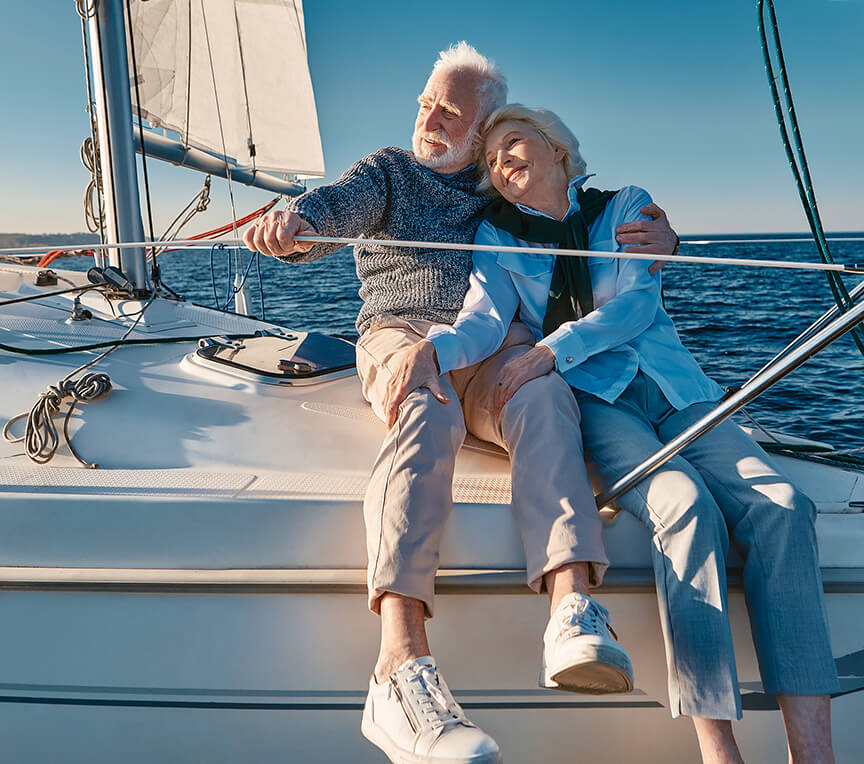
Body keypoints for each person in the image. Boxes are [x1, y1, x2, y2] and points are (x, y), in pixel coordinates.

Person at [243, 45, 677, 764]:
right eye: (424, 102)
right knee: (427, 406)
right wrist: (292, 227)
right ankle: (398, 669)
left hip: (490, 342)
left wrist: (668, 235)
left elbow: (577, 212)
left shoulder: (496, 190)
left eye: (449, 109)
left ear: (481, 132)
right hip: (404, 332)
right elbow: (328, 214)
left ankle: (572, 608)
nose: (429, 117)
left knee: (543, 396)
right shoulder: (389, 171)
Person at [387, 103, 840, 764]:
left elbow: (638, 304)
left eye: (513, 142)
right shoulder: (497, 235)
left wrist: (550, 349)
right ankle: (720, 752)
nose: (500, 160)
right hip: (601, 404)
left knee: (784, 507)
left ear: (556, 150)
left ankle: (814, 752)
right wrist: (436, 348)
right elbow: (483, 320)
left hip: (681, 393)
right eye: (490, 159)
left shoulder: (625, 205)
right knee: (683, 508)